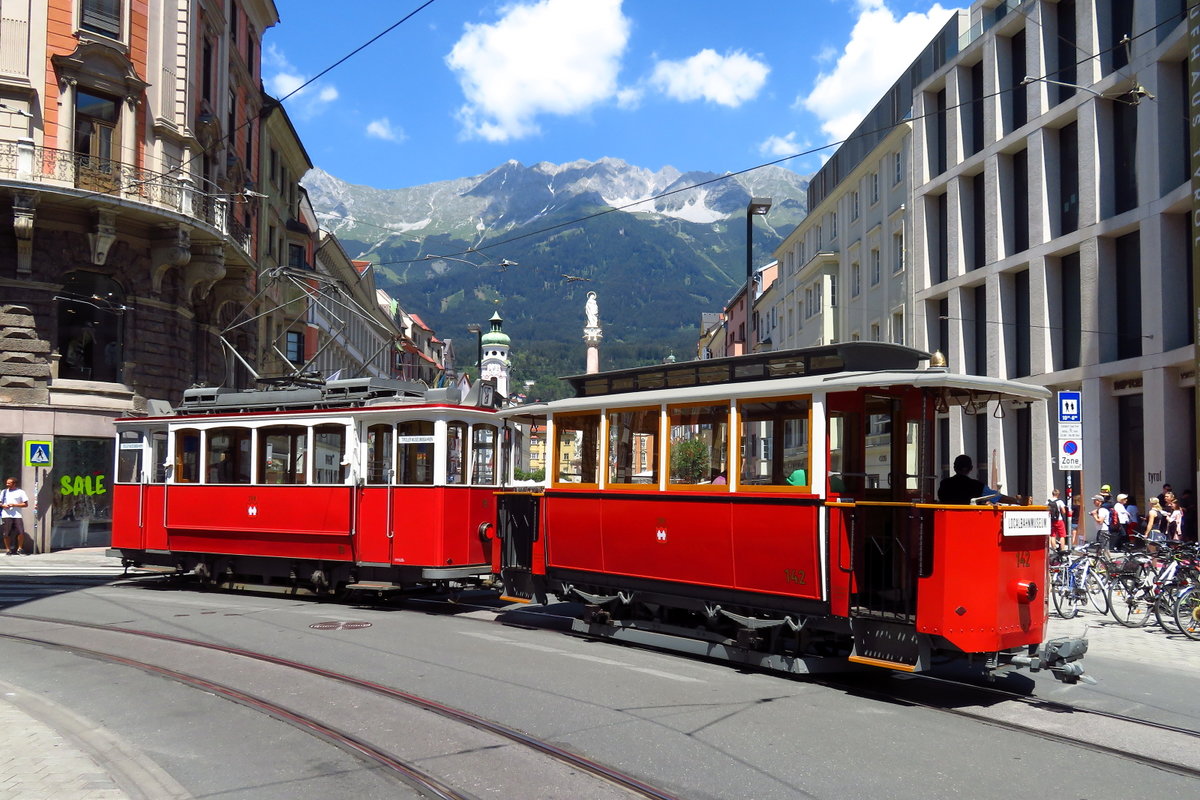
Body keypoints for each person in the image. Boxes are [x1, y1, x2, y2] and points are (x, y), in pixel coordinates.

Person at [1, 476, 30, 556]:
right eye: (7, 483)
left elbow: (25, 504)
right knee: (6, 533)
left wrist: (14, 505)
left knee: (21, 532)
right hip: (6, 515)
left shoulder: (21, 492)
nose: (7, 484)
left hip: (17, 515)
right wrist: (3, 506)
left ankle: (19, 548)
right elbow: (0, 502)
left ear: (14, 484)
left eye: (9, 483)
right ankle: (8, 549)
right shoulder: (3, 492)